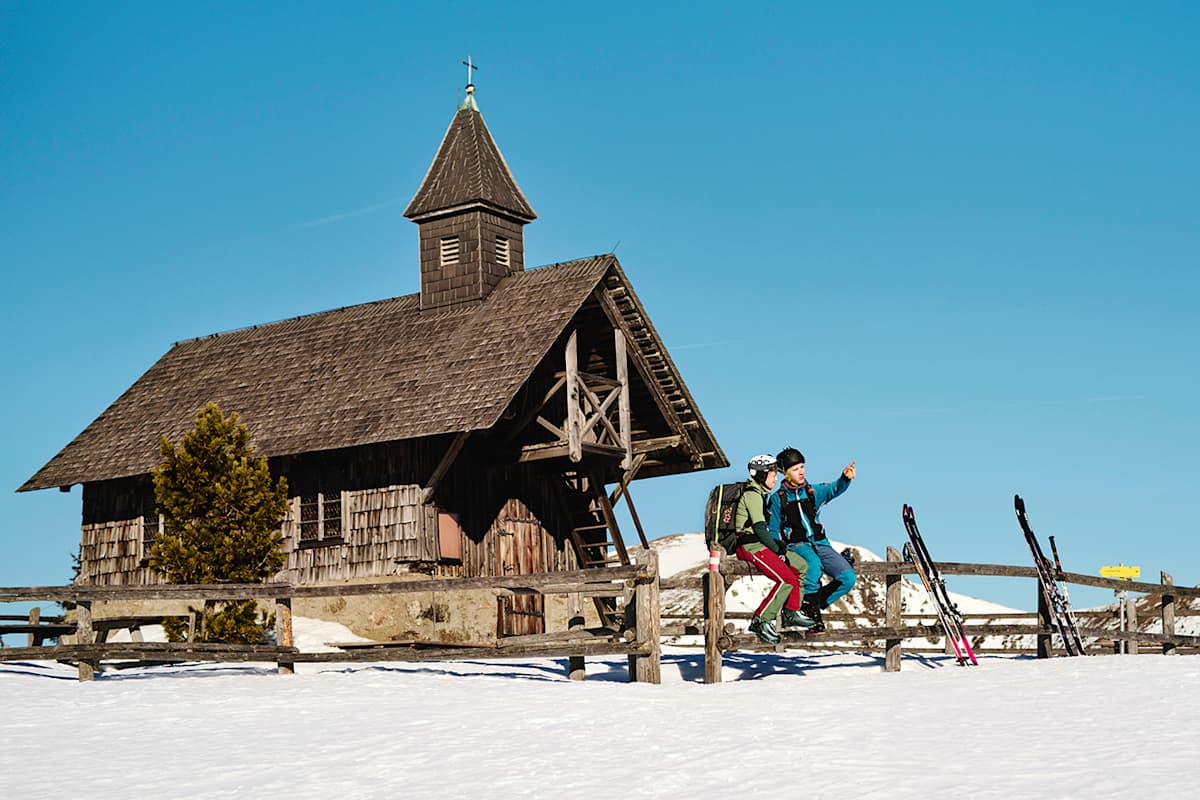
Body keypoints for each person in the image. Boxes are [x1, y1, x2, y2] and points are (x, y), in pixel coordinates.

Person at [768, 447, 857, 633]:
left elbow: (834, 489)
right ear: (785, 473)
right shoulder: (778, 499)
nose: (801, 471)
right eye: (795, 469)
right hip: (797, 545)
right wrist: (778, 551)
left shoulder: (812, 492)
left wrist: (845, 479)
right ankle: (811, 614)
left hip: (820, 543)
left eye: (802, 467)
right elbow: (774, 529)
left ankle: (811, 607)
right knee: (812, 565)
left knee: (848, 578)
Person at [734, 454, 815, 643]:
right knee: (786, 579)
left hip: (761, 544)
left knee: (800, 566)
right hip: (750, 546)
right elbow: (760, 529)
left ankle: (790, 612)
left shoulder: (761, 495)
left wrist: (778, 547)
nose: (776, 478)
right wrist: (778, 550)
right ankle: (761, 620)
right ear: (762, 475)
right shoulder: (752, 495)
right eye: (773, 474)